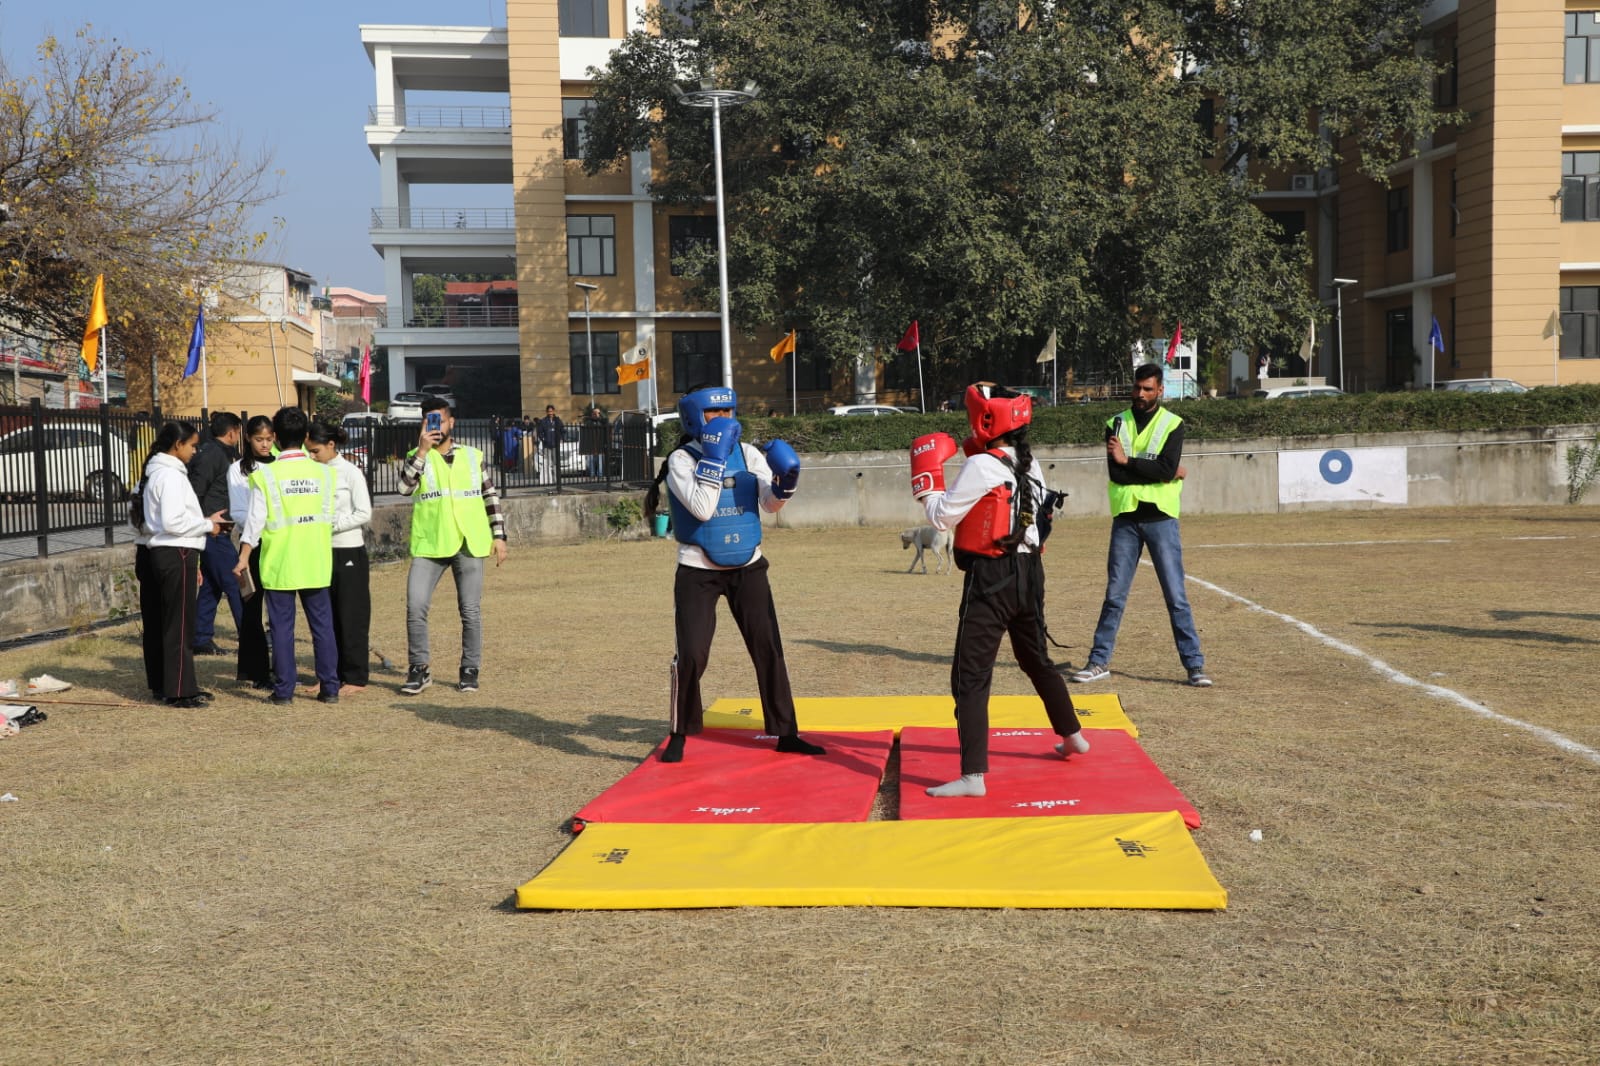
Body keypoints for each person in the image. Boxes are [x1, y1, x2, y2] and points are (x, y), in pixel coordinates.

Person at [908, 383, 1088, 798]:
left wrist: (926, 479)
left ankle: (973, 777)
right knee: (1036, 659)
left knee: (969, 676)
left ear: (984, 419)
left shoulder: (983, 467)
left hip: (992, 579)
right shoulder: (1029, 463)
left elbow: (941, 517)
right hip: (1030, 575)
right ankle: (1073, 735)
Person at [643, 385, 826, 763]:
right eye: (715, 413)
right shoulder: (681, 459)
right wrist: (712, 458)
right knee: (692, 654)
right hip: (698, 569)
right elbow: (702, 509)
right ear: (696, 418)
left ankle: (786, 732)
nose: (725, 418)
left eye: (729, 409)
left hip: (749, 565)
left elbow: (769, 505)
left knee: (768, 648)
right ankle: (680, 732)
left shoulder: (748, 453)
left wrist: (785, 484)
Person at [1071, 362, 1211, 687]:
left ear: (1160, 390)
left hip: (1161, 518)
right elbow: (1117, 474)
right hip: (1127, 519)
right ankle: (1098, 662)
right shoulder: (1115, 423)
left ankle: (1195, 667)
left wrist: (1131, 461)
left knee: (1175, 596)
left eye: (1148, 389)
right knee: (1114, 596)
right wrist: (1159, 469)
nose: (1141, 394)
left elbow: (1161, 468)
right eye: (1137, 388)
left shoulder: (1173, 424)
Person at [398, 394, 509, 695]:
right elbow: (404, 488)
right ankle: (419, 670)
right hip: (430, 543)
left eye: (440, 419)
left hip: (468, 541)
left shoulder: (473, 456)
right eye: (429, 420)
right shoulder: (416, 455)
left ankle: (469, 669)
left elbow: (490, 496)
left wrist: (498, 536)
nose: (435, 425)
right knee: (416, 606)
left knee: (470, 610)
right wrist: (422, 450)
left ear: (451, 422)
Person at [232, 406, 341, 705]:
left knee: (282, 629)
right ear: (306, 437)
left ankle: (284, 691)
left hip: (280, 562)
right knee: (322, 626)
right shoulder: (325, 473)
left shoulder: (266, 476)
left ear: (276, 437)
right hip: (316, 560)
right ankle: (330, 688)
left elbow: (254, 523)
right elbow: (330, 516)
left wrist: (243, 557)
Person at [141, 421, 227, 708]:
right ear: (177, 445)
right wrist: (207, 525)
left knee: (174, 622)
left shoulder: (164, 472)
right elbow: (173, 521)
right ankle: (179, 690)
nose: (195, 450)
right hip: (176, 550)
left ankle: (177, 684)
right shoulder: (169, 476)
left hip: (173, 550)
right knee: (179, 625)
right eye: (191, 445)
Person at [307, 420, 373, 692]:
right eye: (308, 451)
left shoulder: (350, 472)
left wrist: (332, 524)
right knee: (327, 617)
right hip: (320, 551)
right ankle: (329, 675)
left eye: (316, 451)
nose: (312, 456)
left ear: (331, 445)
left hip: (348, 551)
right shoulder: (312, 473)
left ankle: (355, 676)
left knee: (351, 615)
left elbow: (364, 512)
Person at [187, 411, 243, 656]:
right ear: (232, 432)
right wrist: (204, 522)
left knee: (211, 586)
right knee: (236, 582)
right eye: (239, 433)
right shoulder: (212, 455)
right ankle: (249, 634)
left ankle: (200, 637)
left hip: (220, 529)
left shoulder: (225, 454)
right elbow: (196, 491)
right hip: (212, 532)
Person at [228, 416, 276, 689]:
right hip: (253, 543)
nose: (265, 444)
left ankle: (282, 665)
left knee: (279, 608)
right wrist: (258, 524)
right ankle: (256, 670)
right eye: (260, 439)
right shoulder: (239, 469)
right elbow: (238, 510)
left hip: (279, 542)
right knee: (253, 606)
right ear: (248, 438)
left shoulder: (280, 464)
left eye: (269, 439)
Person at [534, 404, 563, 483]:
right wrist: (544, 439)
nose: (550, 413)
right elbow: (540, 432)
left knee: (555, 463)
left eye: (551, 411)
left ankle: (556, 480)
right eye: (548, 411)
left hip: (555, 445)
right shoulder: (543, 421)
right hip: (547, 445)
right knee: (546, 463)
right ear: (546, 412)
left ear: (554, 411)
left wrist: (560, 438)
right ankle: (548, 480)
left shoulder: (557, 420)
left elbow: (562, 430)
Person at [580, 403, 608, 478]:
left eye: (597, 413)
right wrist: (593, 416)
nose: (595, 415)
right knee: (591, 460)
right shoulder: (589, 422)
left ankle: (600, 474)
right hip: (591, 444)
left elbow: (606, 421)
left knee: (600, 461)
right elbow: (587, 425)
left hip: (600, 443)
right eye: (594, 413)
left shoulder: (601, 422)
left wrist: (599, 413)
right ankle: (592, 474)